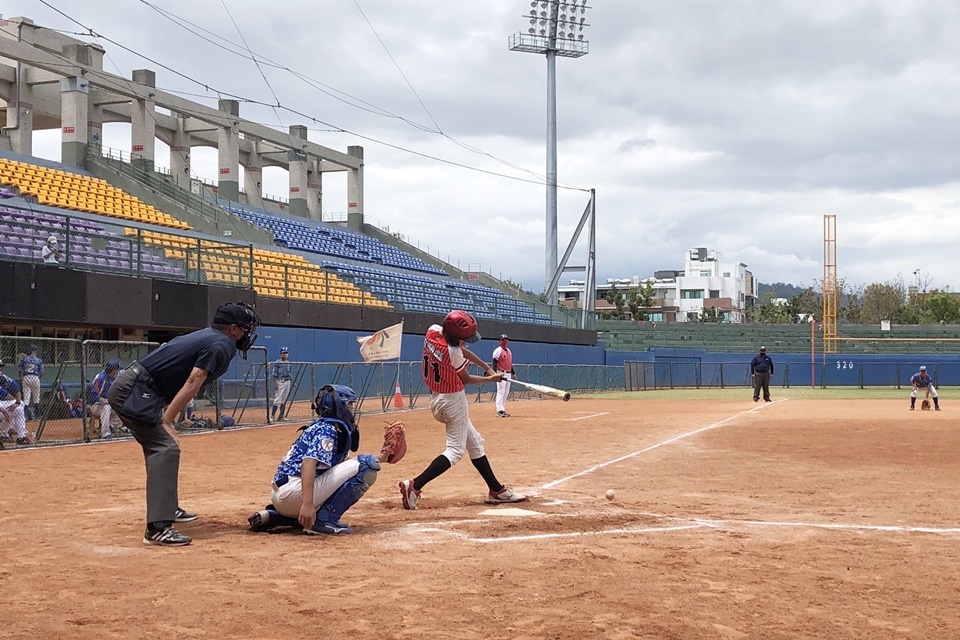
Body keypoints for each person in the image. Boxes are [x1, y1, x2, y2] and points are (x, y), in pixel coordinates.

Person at [107, 302, 261, 547]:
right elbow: (194, 379)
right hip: (135, 390)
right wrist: (167, 419)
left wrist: (167, 412)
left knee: (160, 447)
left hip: (140, 389)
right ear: (233, 329)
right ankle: (157, 528)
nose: (246, 334)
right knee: (165, 447)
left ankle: (166, 507)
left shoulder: (211, 337)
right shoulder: (222, 344)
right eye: (244, 328)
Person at [399, 310, 527, 510]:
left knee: (475, 443)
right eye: (463, 339)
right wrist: (490, 379)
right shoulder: (453, 352)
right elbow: (466, 379)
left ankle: (496, 490)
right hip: (453, 402)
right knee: (455, 451)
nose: (465, 343)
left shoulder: (433, 331)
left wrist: (487, 367)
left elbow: (462, 351)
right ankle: (414, 485)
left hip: (436, 398)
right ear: (455, 337)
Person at [248, 385, 388, 536]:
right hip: (294, 493)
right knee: (367, 465)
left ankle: (278, 517)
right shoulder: (328, 429)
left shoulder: (322, 426)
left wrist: (383, 457)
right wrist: (307, 504)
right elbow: (308, 463)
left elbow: (345, 465)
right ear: (338, 406)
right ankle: (323, 521)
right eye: (349, 404)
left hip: (284, 494)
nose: (352, 409)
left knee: (366, 464)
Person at [0, 359, 33, 445]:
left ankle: (21, 437)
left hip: (1, 405)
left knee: (19, 407)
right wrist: (4, 411)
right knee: (10, 411)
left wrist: (16, 402)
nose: (0, 370)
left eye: (0, 368)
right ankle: (4, 433)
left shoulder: (4, 379)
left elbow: (16, 389)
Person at [89, 360, 123, 439]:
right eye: (117, 370)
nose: (118, 371)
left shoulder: (115, 378)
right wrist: (105, 400)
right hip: (96, 406)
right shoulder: (100, 378)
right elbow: (93, 396)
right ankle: (106, 434)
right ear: (114, 370)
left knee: (124, 406)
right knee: (106, 406)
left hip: (110, 404)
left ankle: (110, 425)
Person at [492, 334, 517, 418]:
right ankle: (499, 410)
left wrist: (513, 373)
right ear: (500, 342)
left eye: (506, 340)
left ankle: (502, 409)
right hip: (501, 373)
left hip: (508, 373)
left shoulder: (509, 351)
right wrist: (495, 373)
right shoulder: (498, 350)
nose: (505, 342)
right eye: (503, 340)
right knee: (501, 391)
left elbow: (510, 364)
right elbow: (494, 362)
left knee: (506, 392)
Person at [17, 344, 43, 420]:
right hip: (35, 377)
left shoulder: (24, 359)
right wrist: (38, 378)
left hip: (26, 377)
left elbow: (19, 369)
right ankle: (38, 417)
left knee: (26, 398)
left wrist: (20, 378)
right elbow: (41, 372)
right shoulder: (39, 360)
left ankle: (24, 417)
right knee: (36, 398)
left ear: (29, 350)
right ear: (35, 351)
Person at [271, 346, 292, 421]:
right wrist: (275, 384)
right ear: (280, 354)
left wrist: (293, 381)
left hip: (287, 381)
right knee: (277, 400)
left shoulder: (288, 363)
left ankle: (281, 416)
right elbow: (274, 374)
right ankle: (272, 416)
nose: (285, 354)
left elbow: (289, 373)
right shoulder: (278, 362)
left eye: (286, 353)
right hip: (280, 381)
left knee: (284, 400)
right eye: (283, 353)